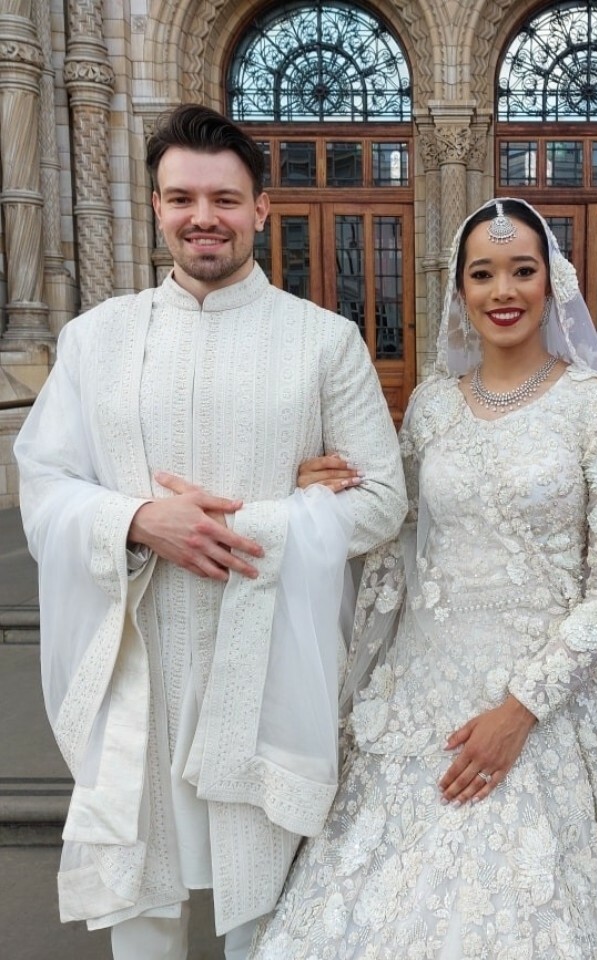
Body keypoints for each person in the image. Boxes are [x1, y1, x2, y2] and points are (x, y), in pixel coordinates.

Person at [13, 103, 407, 960]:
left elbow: (383, 499)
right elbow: (43, 480)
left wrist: (260, 522)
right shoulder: (94, 339)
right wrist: (139, 520)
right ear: (156, 205)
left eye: (225, 199)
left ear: (261, 208)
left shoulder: (323, 342)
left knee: (265, 900)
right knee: (142, 898)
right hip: (136, 653)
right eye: (183, 198)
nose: (204, 217)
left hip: (268, 661)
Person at [249, 198, 597, 959]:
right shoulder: (432, 405)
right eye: (483, 274)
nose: (503, 290)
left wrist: (521, 709)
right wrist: (319, 495)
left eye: (522, 271)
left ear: (552, 283)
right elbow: (393, 533)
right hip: (423, 695)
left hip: (547, 703)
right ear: (460, 289)